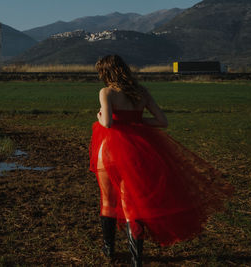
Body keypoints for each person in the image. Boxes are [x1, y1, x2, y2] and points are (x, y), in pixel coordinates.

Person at [89, 55, 233, 266]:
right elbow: (162, 121)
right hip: (138, 150)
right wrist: (136, 121)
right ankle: (136, 260)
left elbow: (108, 123)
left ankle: (108, 249)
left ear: (105, 73)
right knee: (132, 206)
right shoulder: (141, 92)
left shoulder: (106, 92)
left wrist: (100, 116)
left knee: (108, 201)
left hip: (110, 149)